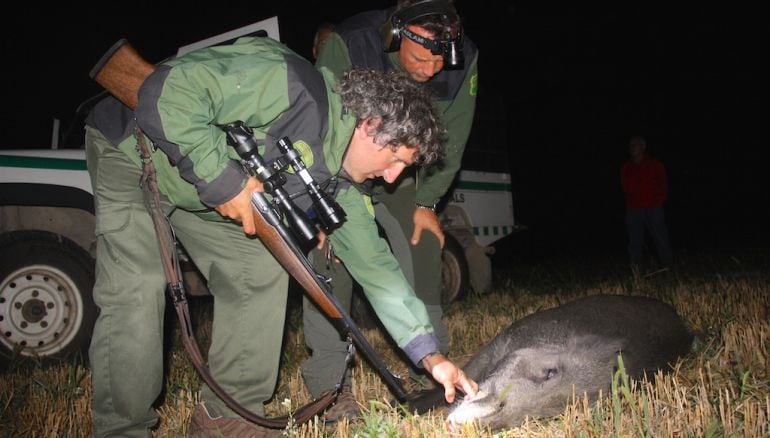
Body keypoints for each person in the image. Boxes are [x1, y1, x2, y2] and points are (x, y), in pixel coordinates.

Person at [84, 35, 477, 437]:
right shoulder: (288, 81)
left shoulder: (341, 183)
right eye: (395, 159)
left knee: (261, 270)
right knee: (137, 285)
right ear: (371, 125)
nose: (392, 178)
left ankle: (226, 418)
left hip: (200, 189)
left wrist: (431, 357)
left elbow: (377, 271)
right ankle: (123, 428)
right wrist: (225, 183)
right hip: (135, 152)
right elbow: (169, 94)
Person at [302, 0, 479, 416]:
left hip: (401, 167)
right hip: (343, 165)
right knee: (331, 258)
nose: (432, 70)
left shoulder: (463, 59)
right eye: (420, 58)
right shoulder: (350, 42)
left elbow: (452, 138)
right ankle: (330, 387)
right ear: (394, 37)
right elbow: (319, 122)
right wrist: (317, 201)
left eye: (439, 61)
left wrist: (426, 201)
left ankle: (433, 365)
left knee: (422, 243)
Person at [620, 136, 673, 274]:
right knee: (634, 243)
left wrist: (658, 201)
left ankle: (667, 270)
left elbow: (663, 183)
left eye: (635, 144)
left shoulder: (655, 164)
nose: (632, 147)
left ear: (643, 147)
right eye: (631, 145)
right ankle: (636, 273)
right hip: (633, 210)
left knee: (661, 238)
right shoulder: (627, 167)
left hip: (653, 208)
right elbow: (625, 186)